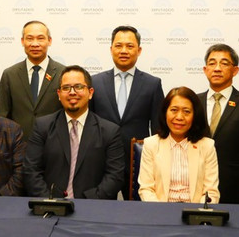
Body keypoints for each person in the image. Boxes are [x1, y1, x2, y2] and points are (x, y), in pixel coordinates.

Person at [24, 65, 125, 199]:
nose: (72, 92)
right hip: (50, 206)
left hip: (93, 208)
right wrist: (50, 200)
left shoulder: (109, 131)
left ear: (90, 92)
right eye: (66, 88)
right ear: (59, 94)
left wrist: (86, 202)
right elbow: (31, 170)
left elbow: (115, 176)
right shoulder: (42, 126)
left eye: (78, 87)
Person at [90, 25, 163, 199]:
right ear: (111, 49)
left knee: (138, 216)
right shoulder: (95, 82)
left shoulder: (152, 84)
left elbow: (159, 128)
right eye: (118, 45)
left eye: (130, 46)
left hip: (139, 163)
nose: (124, 50)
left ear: (139, 50)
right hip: (102, 161)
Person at [197, 44, 239, 204]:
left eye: (224, 63)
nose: (217, 68)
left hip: (236, 184)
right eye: (212, 63)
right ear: (205, 69)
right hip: (198, 181)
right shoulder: (194, 102)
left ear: (235, 70)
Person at [138, 87, 220, 203]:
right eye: (174, 110)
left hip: (194, 213)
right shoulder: (151, 144)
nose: (179, 117)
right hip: (160, 212)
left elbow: (211, 192)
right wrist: (161, 213)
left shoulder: (207, 146)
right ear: (165, 113)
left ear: (195, 115)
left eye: (186, 111)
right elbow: (146, 189)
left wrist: (198, 214)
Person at [0, 20, 65, 138]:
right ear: (22, 41)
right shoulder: (10, 74)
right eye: (29, 38)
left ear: (49, 41)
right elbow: (3, 116)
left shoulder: (63, 73)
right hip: (18, 145)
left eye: (40, 38)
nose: (35, 44)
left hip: (54, 143)